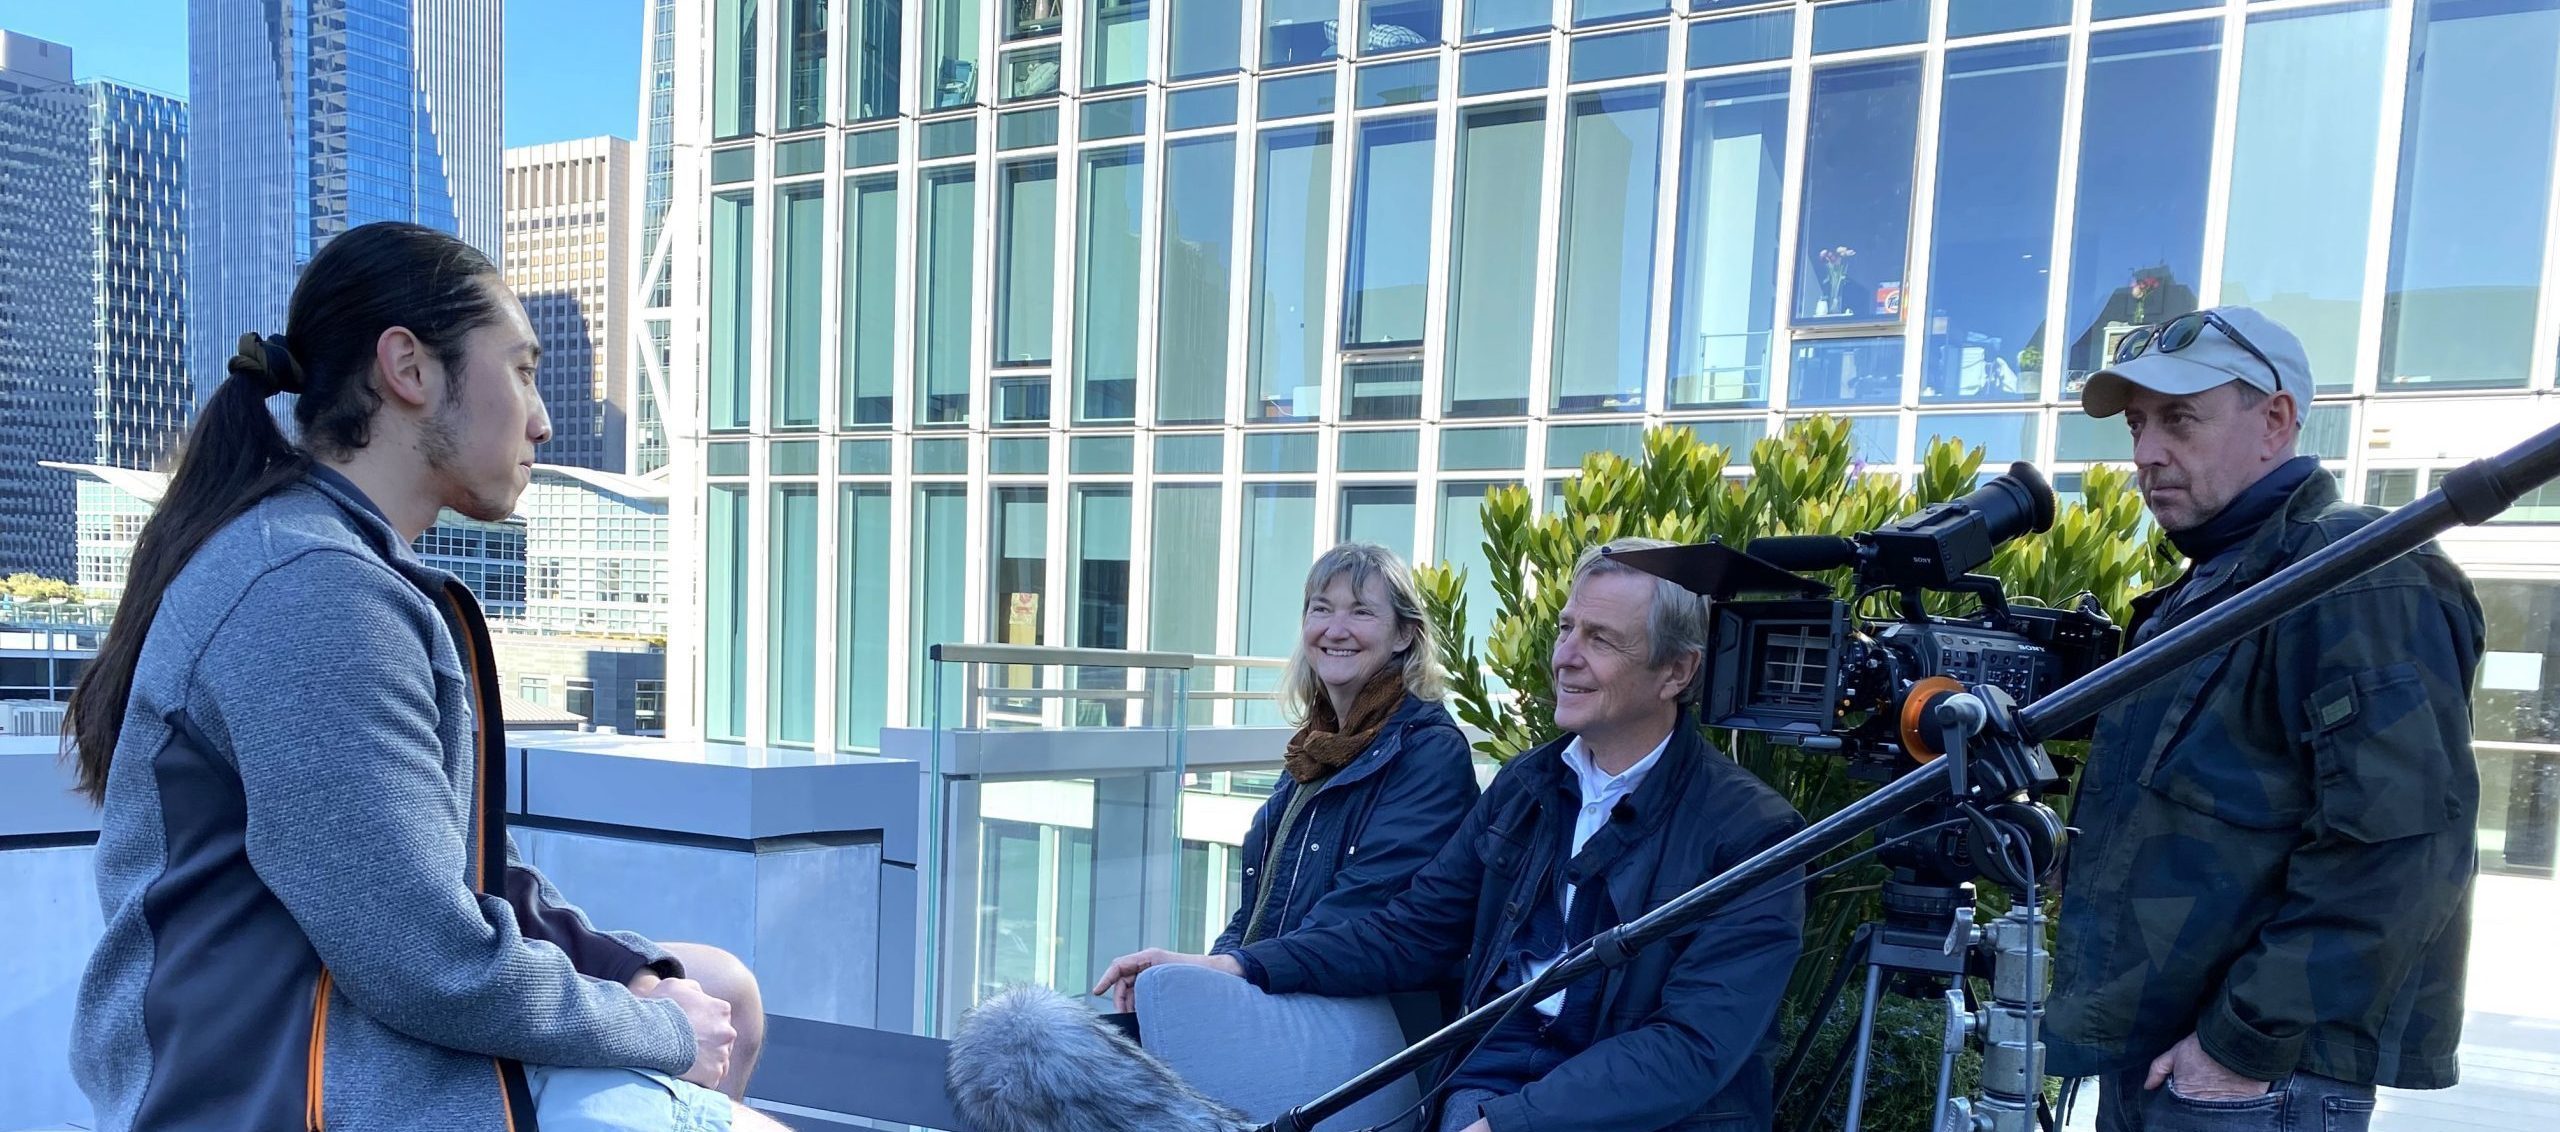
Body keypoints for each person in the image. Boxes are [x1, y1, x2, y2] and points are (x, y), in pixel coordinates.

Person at [65, 222, 788, 1132]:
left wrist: (631, 975)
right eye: (521, 370)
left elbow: (458, 876)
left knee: (724, 988)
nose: (542, 419)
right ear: (409, 369)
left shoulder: (334, 562)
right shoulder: (310, 591)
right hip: (276, 1090)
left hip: (345, 1028)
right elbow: (426, 959)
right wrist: (657, 1029)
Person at [1096, 538, 1805, 1132]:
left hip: (1635, 1116)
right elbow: (1411, 928)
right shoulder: (1528, 786)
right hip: (1487, 1083)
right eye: (1566, 629)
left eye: (1601, 639)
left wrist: (1510, 1124)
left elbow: (1691, 1047)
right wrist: (1235, 967)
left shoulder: (1750, 830)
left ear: (1676, 671)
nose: (1566, 656)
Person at [2049, 306, 2486, 1131]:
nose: (2146, 453)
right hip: (2169, 1059)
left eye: (2180, 418)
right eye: (2138, 424)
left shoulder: (2354, 569)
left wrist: (2241, 1043)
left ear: (2276, 420)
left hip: (2252, 1078)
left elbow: (2402, 847)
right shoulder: (2216, 585)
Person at [1094, 543, 1479, 1128]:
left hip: (1376, 1033)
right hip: (1291, 999)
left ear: (1405, 635)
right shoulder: (1316, 749)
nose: (1335, 629)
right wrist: (1207, 968)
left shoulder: (1427, 753)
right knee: (1085, 1046)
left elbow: (1367, 926)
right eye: (1321, 609)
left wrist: (1229, 970)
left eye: (1361, 611)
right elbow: (1261, 911)